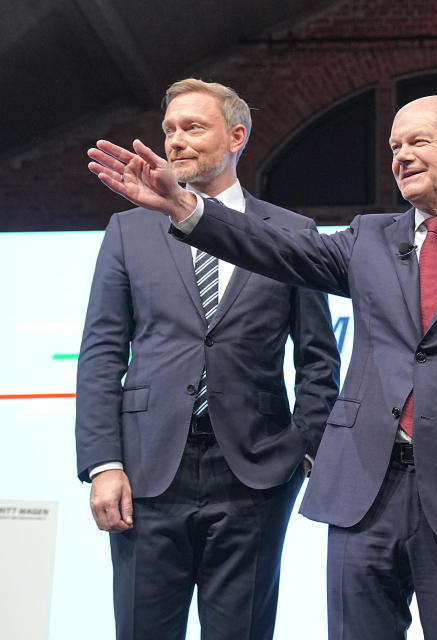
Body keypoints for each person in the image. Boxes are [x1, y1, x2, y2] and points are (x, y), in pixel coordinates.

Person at [86, 94, 437, 640]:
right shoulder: (367, 238)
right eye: (393, 146)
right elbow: (272, 247)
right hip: (363, 492)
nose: (401, 156)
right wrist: (185, 208)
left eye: (417, 142)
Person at [75, 78, 341, 639]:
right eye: (169, 129)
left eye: (193, 127)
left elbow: (319, 357)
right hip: (146, 471)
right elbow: (101, 352)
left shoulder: (292, 234)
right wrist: (104, 464)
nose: (176, 141)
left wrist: (303, 452)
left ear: (236, 136)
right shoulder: (128, 230)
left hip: (256, 473)